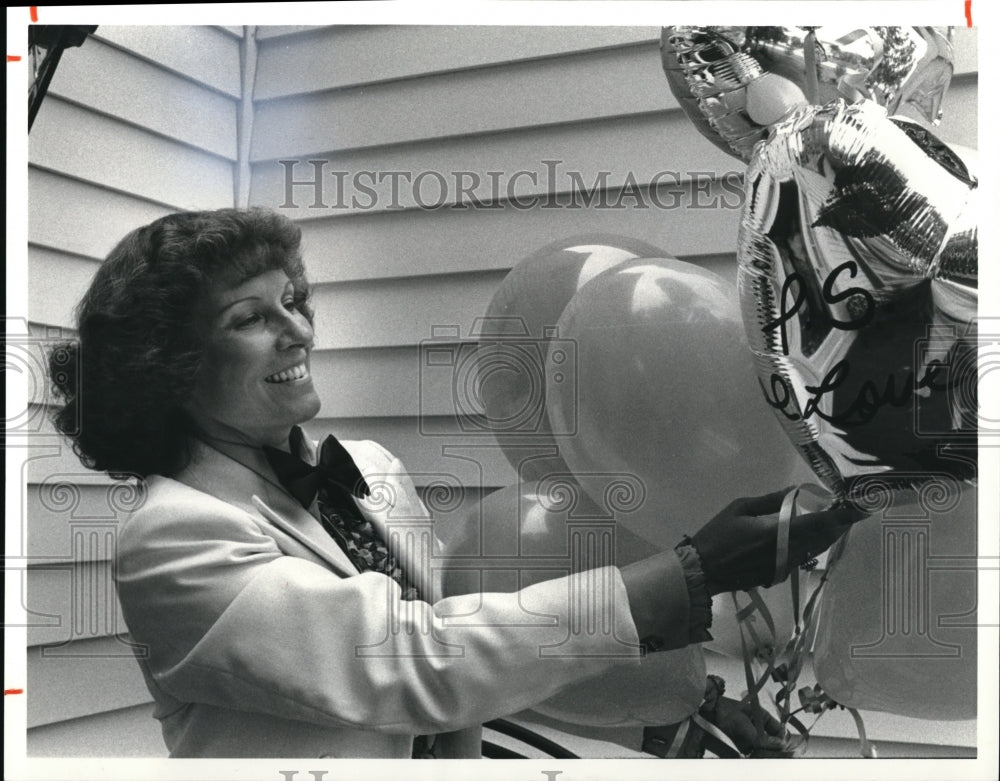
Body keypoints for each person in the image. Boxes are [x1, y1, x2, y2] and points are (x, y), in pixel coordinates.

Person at [48, 208, 860, 758]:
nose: (296, 327)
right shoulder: (172, 537)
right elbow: (411, 662)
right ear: (174, 370)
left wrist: (672, 722)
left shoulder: (365, 470)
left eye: (294, 299)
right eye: (249, 317)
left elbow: (472, 653)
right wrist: (686, 574)